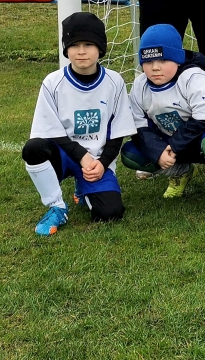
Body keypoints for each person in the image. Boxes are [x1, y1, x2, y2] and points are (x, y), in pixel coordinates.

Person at [23, 12, 136, 235]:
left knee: (110, 213)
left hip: (97, 160)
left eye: (88, 44)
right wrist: (82, 157)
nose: (81, 51)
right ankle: (57, 207)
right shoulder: (53, 82)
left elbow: (118, 132)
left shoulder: (115, 82)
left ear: (100, 48)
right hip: (64, 155)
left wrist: (102, 163)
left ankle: (83, 188)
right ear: (66, 49)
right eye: (74, 45)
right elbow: (49, 130)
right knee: (33, 148)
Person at [119, 24, 205, 222]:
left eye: (163, 60)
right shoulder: (140, 85)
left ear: (178, 58)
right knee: (131, 154)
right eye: (148, 61)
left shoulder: (195, 78)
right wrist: (158, 151)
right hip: (173, 141)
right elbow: (139, 126)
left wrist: (174, 146)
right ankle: (180, 172)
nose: (155, 67)